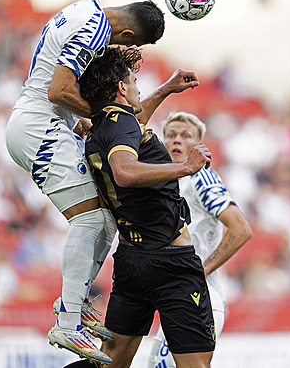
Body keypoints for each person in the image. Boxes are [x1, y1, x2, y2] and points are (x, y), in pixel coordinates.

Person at [4, 0, 192, 364]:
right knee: (90, 218)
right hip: (39, 126)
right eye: (132, 44)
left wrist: (111, 114)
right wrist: (107, 115)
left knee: (105, 217)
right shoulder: (95, 30)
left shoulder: (82, 9)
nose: (126, 50)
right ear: (126, 33)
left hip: (45, 124)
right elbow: (58, 91)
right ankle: (68, 321)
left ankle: (73, 301)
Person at [77, 45, 215, 368]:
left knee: (111, 361)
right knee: (196, 364)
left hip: (131, 261)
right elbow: (124, 171)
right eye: (135, 82)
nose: (140, 88)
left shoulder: (104, 125)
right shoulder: (121, 128)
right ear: (122, 88)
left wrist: (167, 89)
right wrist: (186, 167)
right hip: (170, 263)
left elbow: (132, 123)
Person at [148, 112, 252, 368]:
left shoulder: (201, 177)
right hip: (176, 300)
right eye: (170, 135)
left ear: (199, 146)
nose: (176, 141)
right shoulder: (164, 182)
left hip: (199, 299)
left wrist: (198, 271)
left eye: (185, 136)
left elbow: (240, 229)